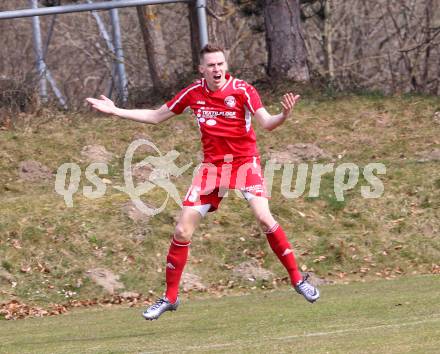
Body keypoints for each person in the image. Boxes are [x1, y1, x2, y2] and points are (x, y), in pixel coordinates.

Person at [86, 43, 320, 321]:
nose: (217, 69)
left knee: (263, 217)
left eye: (220, 64)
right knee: (182, 230)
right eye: (211, 65)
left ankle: (297, 279)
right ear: (202, 69)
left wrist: (284, 115)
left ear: (226, 66)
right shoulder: (193, 93)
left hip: (245, 164)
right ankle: (170, 297)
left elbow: (267, 123)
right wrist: (117, 111)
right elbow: (156, 116)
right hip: (212, 169)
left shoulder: (243, 90)